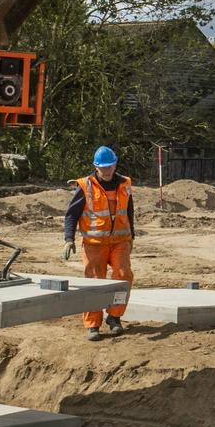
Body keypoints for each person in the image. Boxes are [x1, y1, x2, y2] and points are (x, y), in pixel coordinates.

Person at [62, 145, 134, 341]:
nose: (107, 170)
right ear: (96, 167)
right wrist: (69, 239)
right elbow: (71, 215)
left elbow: (129, 211)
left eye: (110, 166)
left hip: (120, 241)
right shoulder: (85, 186)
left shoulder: (125, 184)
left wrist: (132, 236)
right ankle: (93, 324)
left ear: (115, 165)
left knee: (123, 276)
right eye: (103, 167)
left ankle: (115, 316)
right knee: (94, 282)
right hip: (94, 243)